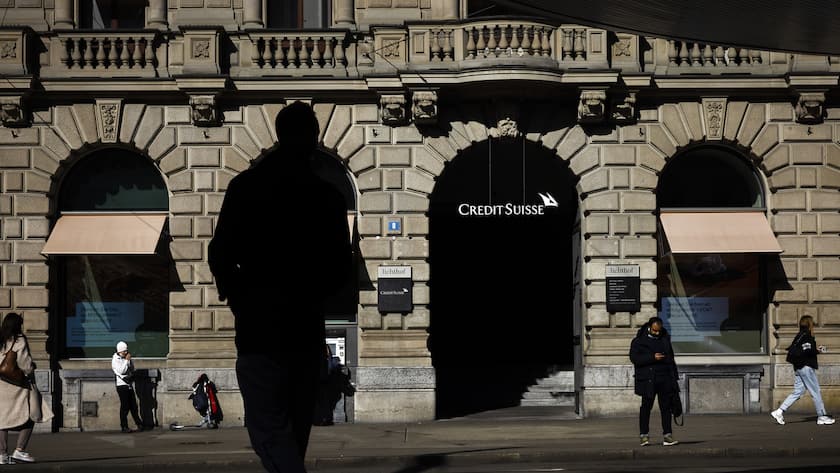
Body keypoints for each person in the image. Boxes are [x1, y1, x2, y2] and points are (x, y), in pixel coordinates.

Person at [208, 101, 352, 473]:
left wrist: (238, 297)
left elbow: (219, 253)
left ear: (278, 134)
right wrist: (314, 295)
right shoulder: (327, 196)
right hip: (303, 329)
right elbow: (341, 268)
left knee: (269, 431)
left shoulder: (246, 187)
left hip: (259, 329)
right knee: (294, 432)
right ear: (314, 138)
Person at [771, 315, 835, 426]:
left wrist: (814, 350)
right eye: (813, 323)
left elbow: (803, 350)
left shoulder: (799, 335)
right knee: (815, 391)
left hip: (798, 367)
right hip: (806, 367)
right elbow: (807, 351)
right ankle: (822, 416)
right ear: (810, 324)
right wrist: (818, 351)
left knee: (798, 391)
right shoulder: (807, 336)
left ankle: (779, 411)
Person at [629, 316, 680, 447]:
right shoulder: (639, 341)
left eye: (659, 330)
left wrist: (674, 379)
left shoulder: (665, 339)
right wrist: (652, 357)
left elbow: (671, 359)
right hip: (648, 380)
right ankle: (644, 436)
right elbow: (634, 358)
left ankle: (667, 435)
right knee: (646, 408)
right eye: (654, 330)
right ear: (649, 327)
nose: (657, 333)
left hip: (665, 379)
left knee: (666, 408)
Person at [0, 312, 37, 464]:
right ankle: (19, 450)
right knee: (31, 415)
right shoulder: (19, 340)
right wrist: (32, 367)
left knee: (2, 419)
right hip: (17, 386)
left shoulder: (0, 339)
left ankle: (2, 454)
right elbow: (25, 365)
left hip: (1, 385)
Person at [112, 341, 145, 433]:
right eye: (124, 351)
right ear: (119, 351)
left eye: (126, 351)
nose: (126, 353)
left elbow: (131, 368)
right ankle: (124, 426)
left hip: (129, 384)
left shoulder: (126, 358)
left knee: (134, 406)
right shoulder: (115, 360)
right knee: (125, 406)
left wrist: (129, 362)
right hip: (122, 386)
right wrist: (126, 361)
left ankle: (139, 424)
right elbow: (121, 371)